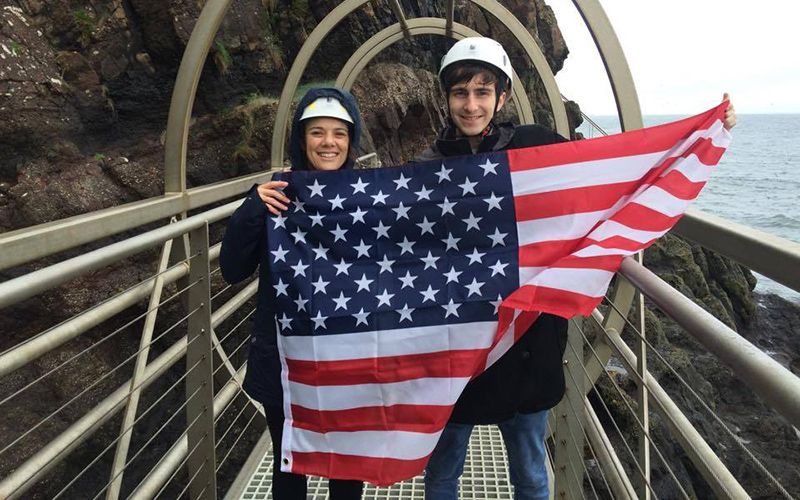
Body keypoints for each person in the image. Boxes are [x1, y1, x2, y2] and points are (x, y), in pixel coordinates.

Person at [416, 37, 736, 500]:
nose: (471, 104)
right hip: (459, 347)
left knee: (529, 468)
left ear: (502, 97)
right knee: (444, 468)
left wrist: (701, 132)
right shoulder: (427, 170)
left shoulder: (538, 149)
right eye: (460, 92)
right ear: (446, 99)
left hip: (528, 338)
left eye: (483, 91)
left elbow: (612, 171)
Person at [220, 87, 364, 500]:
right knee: (289, 468)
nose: (328, 142)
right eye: (317, 131)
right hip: (284, 359)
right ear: (301, 139)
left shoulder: (367, 198)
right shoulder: (277, 195)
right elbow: (232, 270)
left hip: (347, 359)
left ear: (352, 140)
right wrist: (252, 208)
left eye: (339, 132)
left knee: (347, 469)